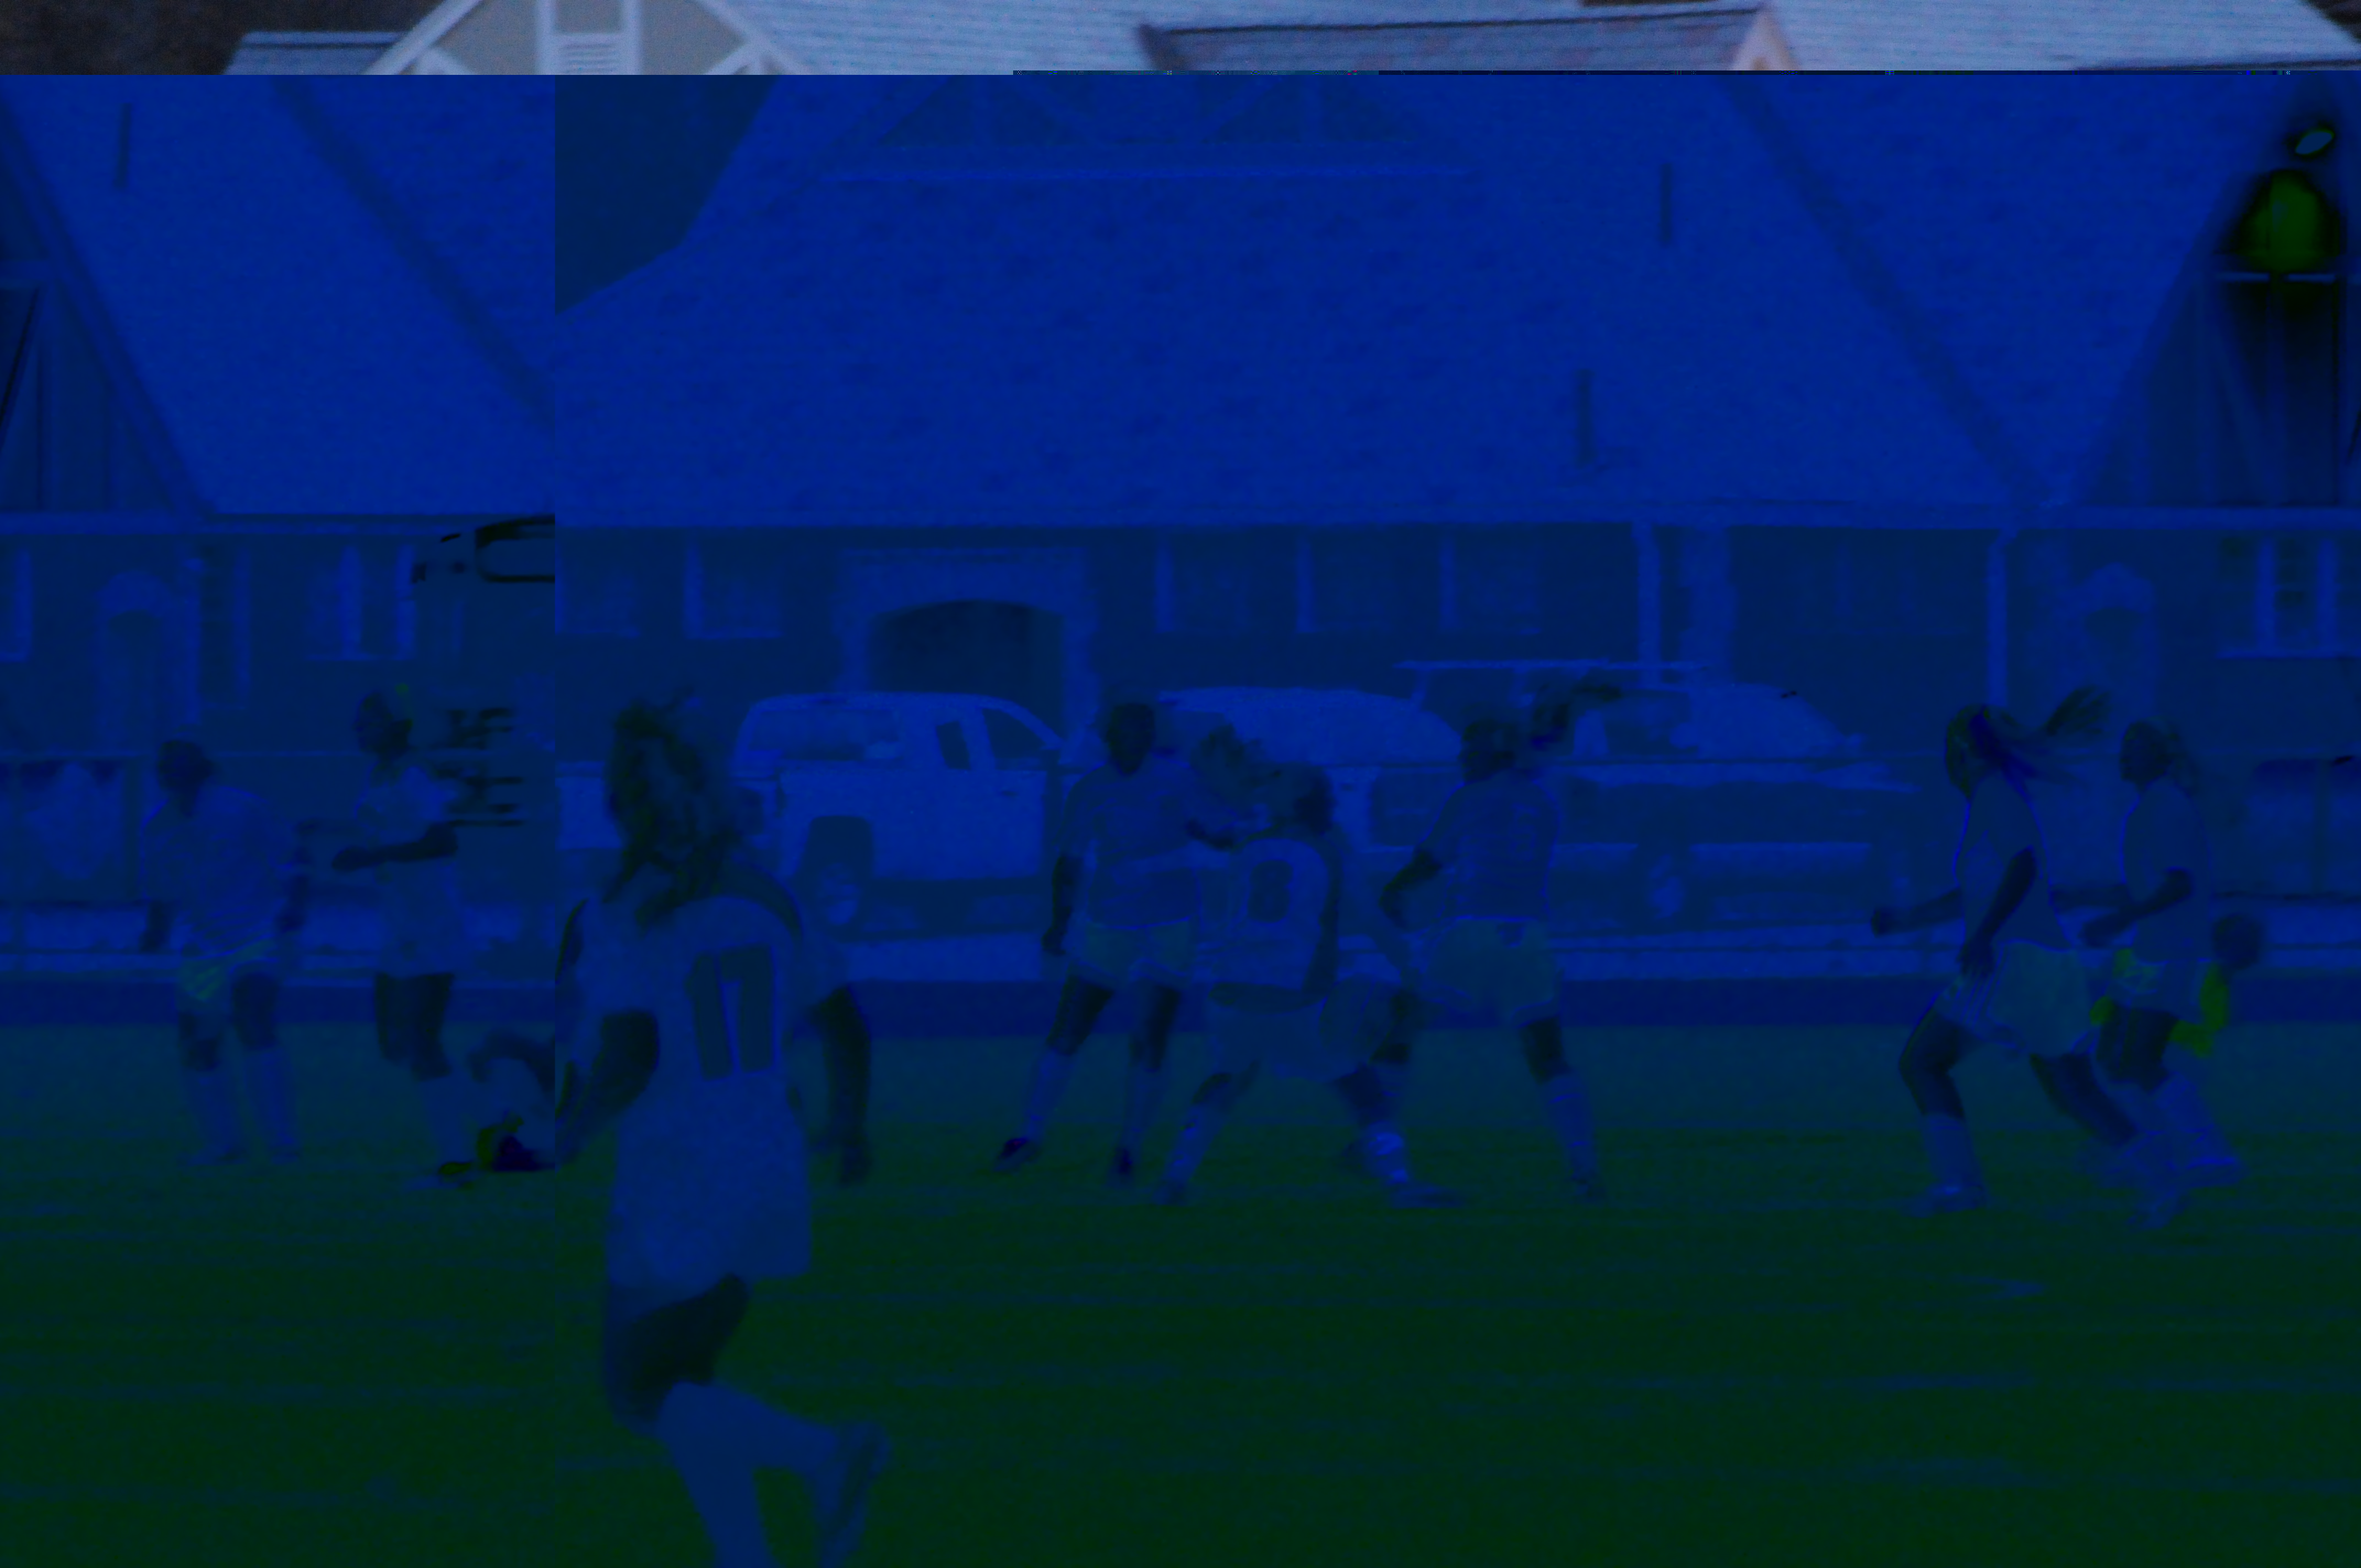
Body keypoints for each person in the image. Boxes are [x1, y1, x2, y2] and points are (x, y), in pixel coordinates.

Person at [558, 696, 888, 1568]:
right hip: (766, 1161)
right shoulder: (771, 895)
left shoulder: (627, 907)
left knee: (636, 1391)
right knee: (686, 1383)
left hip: (677, 1173)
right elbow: (847, 1026)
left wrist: (569, 1131)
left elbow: (631, 1052)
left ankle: (829, 1454)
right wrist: (849, 1127)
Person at [1870, 689, 2183, 1226]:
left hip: (2013, 960)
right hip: (2048, 962)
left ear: (1964, 751)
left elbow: (2023, 866)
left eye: (1952, 747)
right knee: (2071, 1088)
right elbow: (1977, 890)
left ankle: (1959, 1186)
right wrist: (1907, 919)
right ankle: (2161, 1179)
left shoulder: (1993, 793)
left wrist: (1983, 935)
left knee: (1922, 1062)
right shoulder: (1996, 796)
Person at [1157, 765, 1459, 1208]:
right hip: (1294, 994)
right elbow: (1370, 918)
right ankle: (1400, 1183)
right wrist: (1411, 970)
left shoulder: (1248, 846)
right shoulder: (1328, 852)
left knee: (1227, 1078)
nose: (1271, 782)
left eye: (1280, 779)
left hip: (1230, 990)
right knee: (1361, 1085)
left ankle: (1174, 1179)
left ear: (1299, 797)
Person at [992, 700, 1248, 1185]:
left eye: (1140, 730)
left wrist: (1235, 805)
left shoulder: (1177, 781)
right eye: (1122, 731)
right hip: (1108, 923)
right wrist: (1058, 922)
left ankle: (1129, 1148)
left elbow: (1223, 834)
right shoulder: (1091, 789)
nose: (1131, 739)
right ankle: (1029, 1134)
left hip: (1170, 923)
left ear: (1150, 736)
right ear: (1108, 738)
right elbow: (1069, 861)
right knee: (1069, 1027)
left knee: (1150, 1035)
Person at [1378, 711, 1601, 1197]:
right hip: (1529, 933)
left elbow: (1431, 860)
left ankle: (1376, 1140)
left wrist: (1392, 891)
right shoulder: (1541, 803)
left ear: (1494, 751)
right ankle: (1583, 1163)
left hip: (1471, 927)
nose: (1462, 758)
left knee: (1401, 1026)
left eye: (1470, 748)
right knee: (1547, 1053)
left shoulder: (1472, 797)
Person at [313, 688, 482, 1190]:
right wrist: (329, 829)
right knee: (396, 1043)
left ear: (396, 726)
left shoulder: (414, 774)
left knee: (420, 1040)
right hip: (400, 924)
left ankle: (456, 1161)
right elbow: (383, 828)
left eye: (367, 721)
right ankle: (502, 1118)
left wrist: (372, 857)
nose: (357, 729)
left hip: (431, 923)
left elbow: (442, 838)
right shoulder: (379, 775)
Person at [2076, 721, 2248, 1189]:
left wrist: (2119, 919)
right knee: (2113, 1054)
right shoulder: (2151, 806)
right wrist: (2084, 900)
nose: (2123, 756)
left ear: (2159, 758)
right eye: (2124, 748)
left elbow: (2179, 883)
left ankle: (2210, 1153)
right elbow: (2148, 885)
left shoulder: (2166, 806)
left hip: (2175, 952)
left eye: (2135, 749)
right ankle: (2156, 1149)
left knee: (2136, 1058)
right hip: (2151, 951)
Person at [137, 738, 308, 1166]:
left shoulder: (242, 809)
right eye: (164, 767)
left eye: (178, 764)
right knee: (197, 1042)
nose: (169, 773)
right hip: (203, 948)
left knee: (253, 1019)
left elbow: (293, 856)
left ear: (201, 768)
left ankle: (282, 1141)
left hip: (257, 935)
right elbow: (160, 892)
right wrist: (154, 933)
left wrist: (294, 907)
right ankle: (224, 1144)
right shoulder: (158, 829)